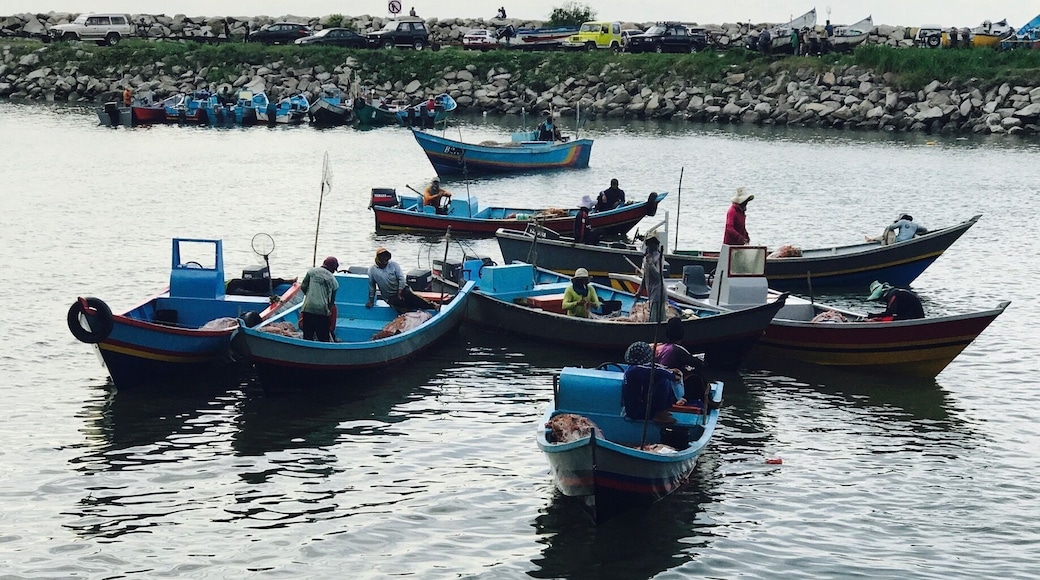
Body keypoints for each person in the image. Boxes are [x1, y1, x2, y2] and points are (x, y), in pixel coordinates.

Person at [622, 341, 680, 424]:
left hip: (635, 408)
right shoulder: (636, 370)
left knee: (660, 378)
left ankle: (662, 410)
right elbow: (656, 371)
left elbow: (653, 367)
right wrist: (672, 375)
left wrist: (669, 370)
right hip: (636, 411)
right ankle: (659, 414)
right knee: (663, 380)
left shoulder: (632, 369)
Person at [654, 317, 709, 404]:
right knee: (697, 377)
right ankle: (708, 402)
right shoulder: (677, 349)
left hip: (660, 383)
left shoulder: (661, 347)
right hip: (671, 385)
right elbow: (698, 364)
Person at [367, 248, 435, 313]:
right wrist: (371, 301)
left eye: (386, 258)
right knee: (401, 304)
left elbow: (401, 278)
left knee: (411, 296)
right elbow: (372, 287)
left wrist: (399, 292)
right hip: (389, 297)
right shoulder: (372, 270)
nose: (384, 260)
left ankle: (433, 306)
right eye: (382, 257)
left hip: (402, 290)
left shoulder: (394, 265)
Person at [300, 256, 339, 342]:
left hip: (308, 308)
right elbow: (331, 301)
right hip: (322, 311)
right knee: (323, 338)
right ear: (333, 268)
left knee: (307, 337)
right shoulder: (334, 282)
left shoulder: (311, 272)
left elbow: (303, 286)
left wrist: (309, 295)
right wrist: (329, 312)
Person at [635, 236, 666, 322]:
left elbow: (658, 275)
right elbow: (645, 276)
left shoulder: (659, 257)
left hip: (658, 291)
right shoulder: (646, 258)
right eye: (648, 246)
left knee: (656, 317)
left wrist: (651, 263)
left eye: (652, 245)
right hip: (650, 290)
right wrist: (639, 291)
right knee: (652, 315)